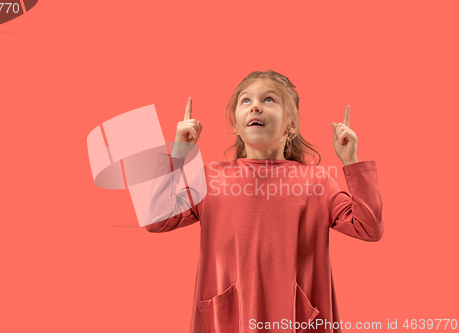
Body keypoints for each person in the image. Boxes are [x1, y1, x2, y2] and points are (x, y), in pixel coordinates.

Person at [144, 70, 383, 333]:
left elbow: (368, 227)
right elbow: (157, 219)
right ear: (236, 124)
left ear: (291, 125)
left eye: (269, 99)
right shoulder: (210, 179)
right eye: (246, 101)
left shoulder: (318, 181)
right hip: (229, 322)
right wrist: (178, 154)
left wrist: (351, 161)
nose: (255, 106)